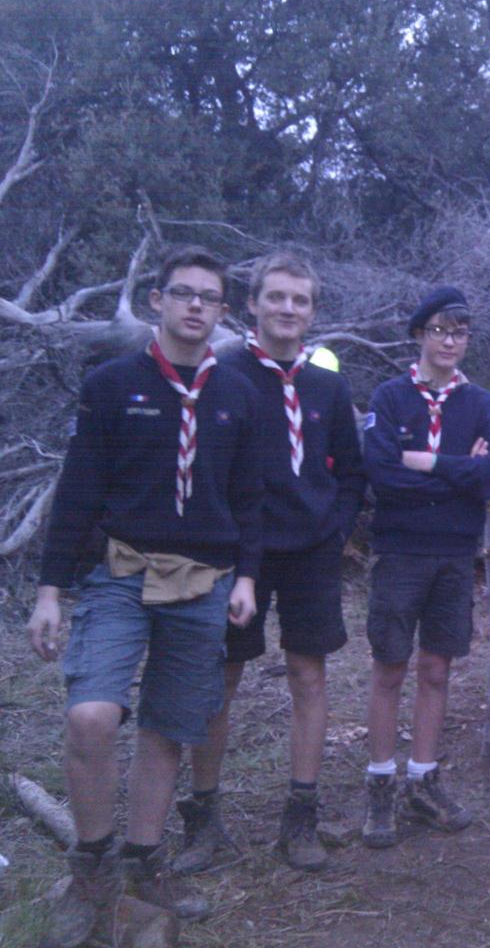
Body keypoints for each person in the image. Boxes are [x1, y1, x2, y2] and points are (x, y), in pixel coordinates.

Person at [26, 245, 263, 947]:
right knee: (92, 718)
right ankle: (90, 869)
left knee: (168, 728)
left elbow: (250, 499)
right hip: (120, 576)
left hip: (203, 585)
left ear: (223, 312)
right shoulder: (110, 384)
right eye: (182, 293)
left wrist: (246, 577)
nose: (195, 306)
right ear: (158, 300)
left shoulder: (237, 396)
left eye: (208, 297)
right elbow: (76, 492)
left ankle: (144, 861)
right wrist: (49, 590)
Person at [176, 252, 364, 873]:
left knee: (308, 677)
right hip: (237, 554)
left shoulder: (328, 386)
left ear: (312, 311)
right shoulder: (223, 374)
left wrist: (333, 531)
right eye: (276, 297)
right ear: (252, 305)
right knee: (220, 681)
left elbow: (351, 472)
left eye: (300, 300)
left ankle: (300, 815)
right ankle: (203, 816)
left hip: (309, 550)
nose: (287, 309)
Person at [359, 285, 490, 848]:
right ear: (420, 335)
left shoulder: (479, 404)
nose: (451, 341)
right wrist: (458, 474)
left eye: (461, 332)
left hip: (453, 554)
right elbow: (382, 477)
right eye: (441, 331)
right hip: (401, 552)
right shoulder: (392, 397)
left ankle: (423, 780)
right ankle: (379, 784)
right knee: (389, 668)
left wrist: (427, 462)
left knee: (437, 671)